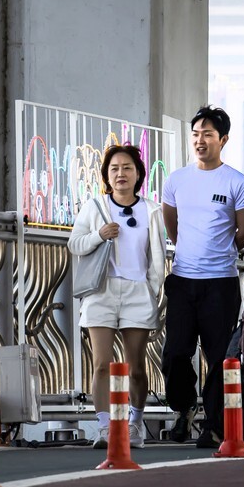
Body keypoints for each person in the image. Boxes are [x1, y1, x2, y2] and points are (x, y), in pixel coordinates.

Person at [161, 106, 244, 448]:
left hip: (221, 282)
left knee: (218, 355)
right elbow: (171, 226)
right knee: (175, 351)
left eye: (208, 135)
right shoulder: (176, 180)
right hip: (183, 279)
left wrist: (217, 249)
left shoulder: (237, 182)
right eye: (196, 134)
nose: (200, 141)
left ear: (223, 139)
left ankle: (214, 424)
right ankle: (183, 409)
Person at [68, 144, 168, 449]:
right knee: (101, 364)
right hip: (102, 290)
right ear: (106, 176)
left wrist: (155, 294)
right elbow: (74, 244)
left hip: (138, 291)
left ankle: (135, 423)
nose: (120, 174)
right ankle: (104, 427)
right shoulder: (95, 207)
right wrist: (99, 235)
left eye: (127, 168)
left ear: (138, 174)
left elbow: (157, 258)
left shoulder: (151, 210)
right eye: (114, 169)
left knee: (136, 366)